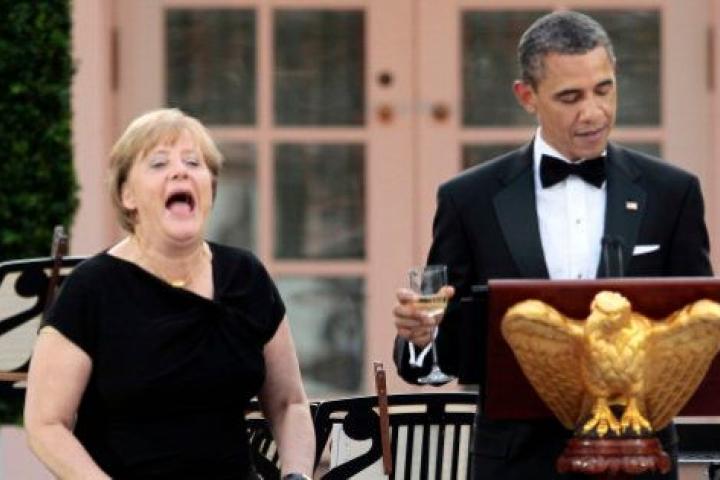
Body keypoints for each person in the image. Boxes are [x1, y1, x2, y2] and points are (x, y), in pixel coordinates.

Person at [393, 10, 712, 480]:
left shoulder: (672, 193)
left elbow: (701, 331)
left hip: (640, 458)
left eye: (603, 89)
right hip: (515, 463)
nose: (593, 112)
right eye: (570, 97)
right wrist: (422, 338)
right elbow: (441, 345)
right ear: (527, 96)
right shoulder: (469, 199)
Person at [24, 108, 315, 480]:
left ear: (210, 187)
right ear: (127, 195)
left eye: (193, 163)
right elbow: (46, 423)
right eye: (159, 164)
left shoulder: (246, 275)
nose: (180, 172)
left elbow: (289, 403)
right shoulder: (91, 288)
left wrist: (296, 476)